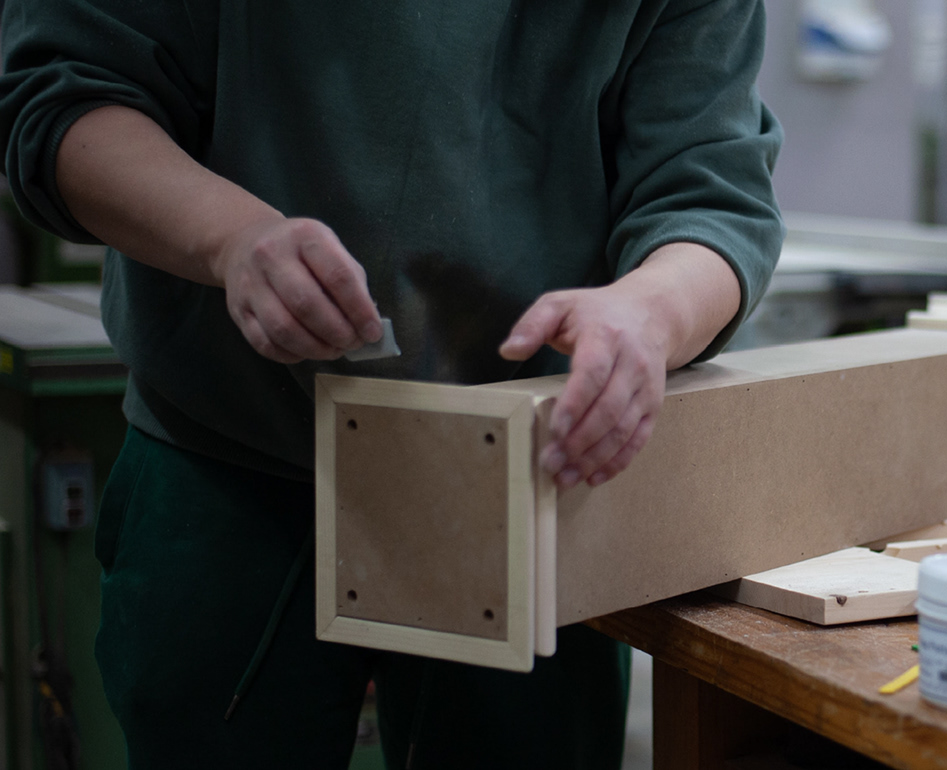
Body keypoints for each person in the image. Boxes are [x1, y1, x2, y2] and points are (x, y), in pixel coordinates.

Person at [0, 1, 783, 767]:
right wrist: (231, 239)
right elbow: (68, 98)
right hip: (232, 468)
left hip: (530, 487)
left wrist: (651, 311)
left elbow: (710, 193)